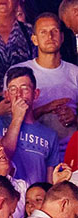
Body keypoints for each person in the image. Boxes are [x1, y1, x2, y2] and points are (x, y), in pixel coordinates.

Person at [0, 67, 60, 186]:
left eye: (25, 89)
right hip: (5, 198)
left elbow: (49, 181)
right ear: (6, 95)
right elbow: (3, 154)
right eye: (13, 90)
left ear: (35, 94)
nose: (19, 95)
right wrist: (17, 118)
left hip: (35, 201)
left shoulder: (50, 135)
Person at [19, 13, 78, 141]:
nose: (50, 37)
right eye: (43, 32)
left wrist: (74, 118)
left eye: (54, 31)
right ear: (34, 40)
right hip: (34, 152)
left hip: (72, 152)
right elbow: (9, 121)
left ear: (62, 37)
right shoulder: (20, 73)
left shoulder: (75, 73)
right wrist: (44, 109)